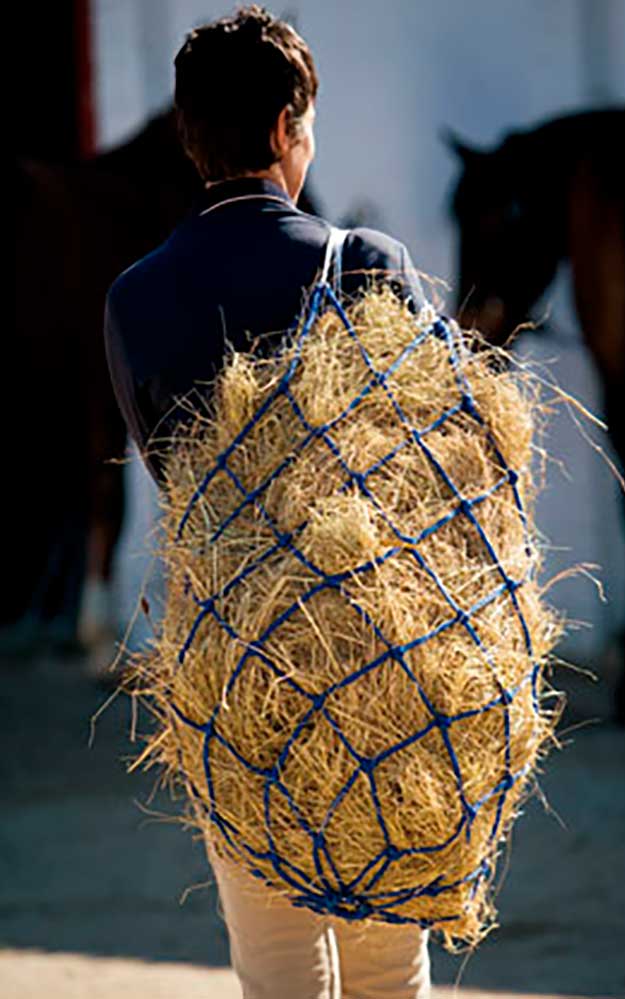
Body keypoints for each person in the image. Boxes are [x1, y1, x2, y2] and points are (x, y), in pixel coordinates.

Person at [104, 8, 431, 999]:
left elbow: (166, 468)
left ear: (189, 136)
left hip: (232, 677)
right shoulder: (366, 264)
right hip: (373, 671)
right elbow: (436, 466)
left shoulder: (133, 298)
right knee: (388, 971)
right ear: (288, 127)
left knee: (279, 973)